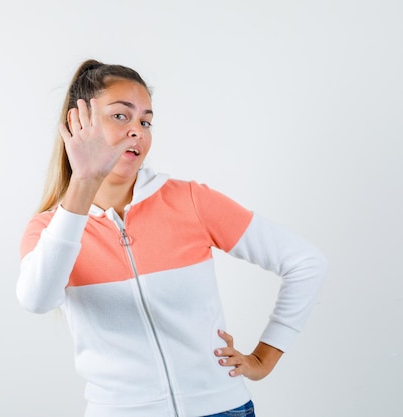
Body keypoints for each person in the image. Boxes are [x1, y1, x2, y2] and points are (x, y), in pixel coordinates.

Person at [16, 59, 327, 417]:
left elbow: (306, 263)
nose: (137, 131)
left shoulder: (190, 200)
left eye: (145, 121)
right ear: (77, 123)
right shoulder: (50, 230)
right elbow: (37, 300)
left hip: (220, 408)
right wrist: (83, 187)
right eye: (121, 116)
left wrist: (263, 358)